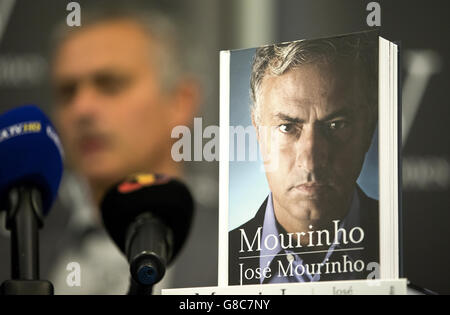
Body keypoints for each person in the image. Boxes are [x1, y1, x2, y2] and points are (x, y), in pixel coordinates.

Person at [2, 7, 217, 294]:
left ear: (181, 100)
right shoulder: (18, 247)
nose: (82, 109)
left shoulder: (242, 241)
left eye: (110, 85)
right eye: (68, 92)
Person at [229, 33, 380, 285]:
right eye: (287, 127)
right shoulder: (209, 266)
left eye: (336, 125)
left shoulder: (421, 250)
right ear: (257, 130)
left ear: (369, 128)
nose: (310, 162)